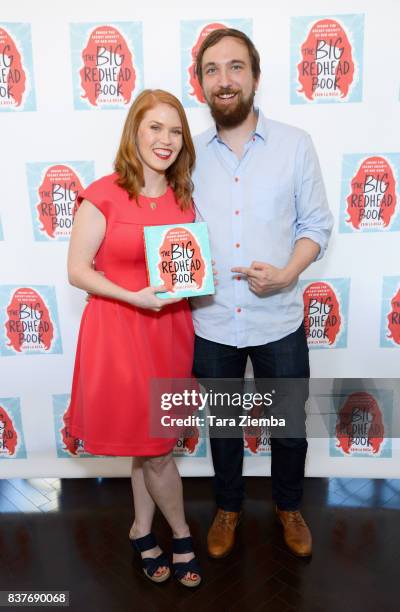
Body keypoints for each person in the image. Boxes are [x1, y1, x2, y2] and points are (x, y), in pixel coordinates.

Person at [190, 29, 333, 559]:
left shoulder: (295, 144)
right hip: (213, 320)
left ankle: (288, 507)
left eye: (235, 67)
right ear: (201, 81)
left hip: (279, 319)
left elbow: (316, 226)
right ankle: (227, 508)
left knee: (289, 426)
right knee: (224, 430)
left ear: (254, 75)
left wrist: (288, 273)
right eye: (212, 70)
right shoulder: (186, 153)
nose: (224, 80)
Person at [67, 89, 201, 587]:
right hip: (120, 334)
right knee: (155, 447)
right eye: (155, 128)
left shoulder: (183, 198)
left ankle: (141, 527)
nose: (166, 140)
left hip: (169, 334)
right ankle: (182, 532)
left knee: (149, 444)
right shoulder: (101, 194)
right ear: (135, 132)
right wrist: (134, 296)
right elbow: (77, 271)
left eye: (175, 130)